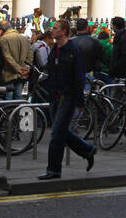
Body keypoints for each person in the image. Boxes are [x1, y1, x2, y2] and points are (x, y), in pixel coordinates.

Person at [38, 19, 96, 180]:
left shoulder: (73, 50)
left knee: (56, 134)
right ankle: (88, 150)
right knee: (61, 131)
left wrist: (80, 102)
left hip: (68, 97)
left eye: (55, 28)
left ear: (63, 32)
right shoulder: (55, 49)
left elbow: (79, 77)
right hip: (55, 96)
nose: (52, 30)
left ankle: (53, 170)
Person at [0, 19, 31, 100]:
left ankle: (8, 112)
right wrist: (26, 67)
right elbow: (30, 54)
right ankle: (18, 112)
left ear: (1, 30)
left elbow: (7, 56)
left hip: (10, 72)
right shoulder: (24, 38)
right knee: (19, 95)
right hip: (23, 72)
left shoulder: (4, 39)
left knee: (9, 95)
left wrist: (18, 68)